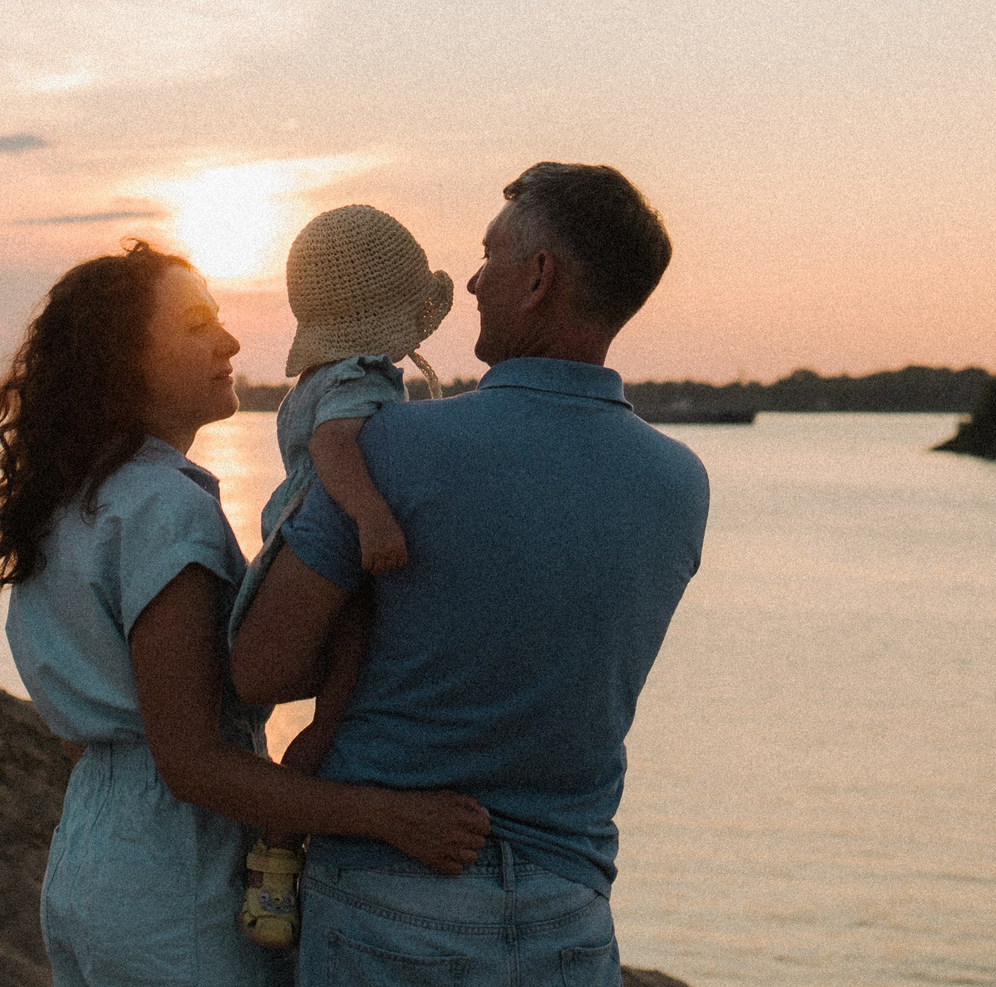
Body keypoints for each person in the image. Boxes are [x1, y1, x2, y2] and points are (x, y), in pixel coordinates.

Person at [230, 164, 710, 985]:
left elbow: (258, 671)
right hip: (567, 915)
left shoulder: (390, 447)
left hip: (390, 905)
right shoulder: (680, 485)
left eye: (491, 255)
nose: (477, 281)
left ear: (539, 277)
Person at [0, 239, 492, 987]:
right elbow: (191, 762)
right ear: (125, 360)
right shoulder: (164, 509)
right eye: (195, 326)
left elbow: (86, 736)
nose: (230, 342)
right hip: (177, 875)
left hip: (88, 854)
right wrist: (391, 817)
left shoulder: (65, 505)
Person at [226, 205, 456, 950]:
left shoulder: (317, 378)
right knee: (336, 715)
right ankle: (278, 857)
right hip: (337, 566)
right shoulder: (361, 377)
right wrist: (372, 518)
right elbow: (334, 448)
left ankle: (277, 852)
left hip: (301, 550)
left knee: (333, 716)